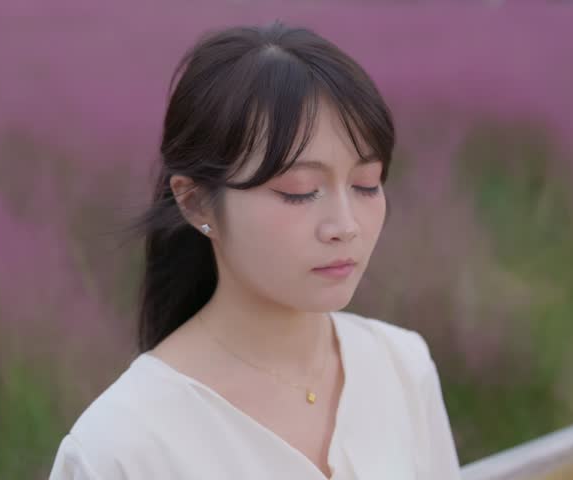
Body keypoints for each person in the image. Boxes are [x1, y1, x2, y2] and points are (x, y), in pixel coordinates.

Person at [49, 20, 461, 479]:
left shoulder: (400, 366)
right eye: (299, 191)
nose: (345, 227)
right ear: (196, 202)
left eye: (366, 184)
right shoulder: (121, 448)